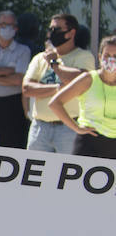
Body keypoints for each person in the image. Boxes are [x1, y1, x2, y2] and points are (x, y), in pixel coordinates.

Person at [22, 12, 95, 155]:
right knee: (35, 172)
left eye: (56, 30)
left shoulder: (84, 57)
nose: (51, 33)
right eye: (50, 29)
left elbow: (79, 82)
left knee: (68, 173)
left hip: (69, 128)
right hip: (40, 127)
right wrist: (59, 88)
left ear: (71, 33)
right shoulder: (40, 58)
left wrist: (55, 64)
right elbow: (27, 89)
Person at [48, 34, 116, 160]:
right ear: (100, 57)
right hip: (88, 141)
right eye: (107, 56)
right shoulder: (88, 79)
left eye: (115, 56)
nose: (111, 60)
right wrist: (77, 128)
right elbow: (55, 103)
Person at [0, 9, 31, 149]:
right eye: (3, 24)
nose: (8, 28)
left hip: (12, 105)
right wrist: (7, 71)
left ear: (16, 29)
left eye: (12, 25)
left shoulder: (23, 50)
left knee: (12, 147)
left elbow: (19, 80)